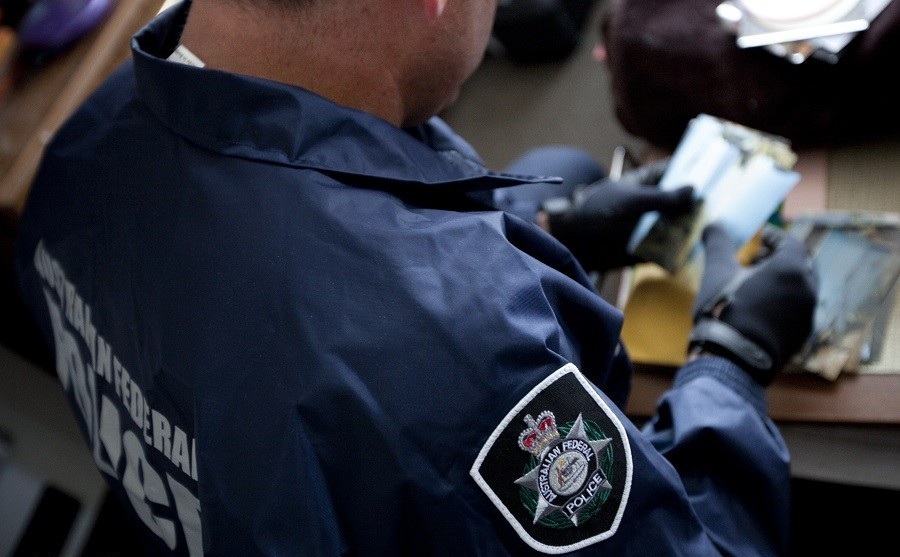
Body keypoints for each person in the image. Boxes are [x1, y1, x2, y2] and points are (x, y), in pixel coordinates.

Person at [12, 0, 818, 556]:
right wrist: (731, 361)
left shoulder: (86, 141)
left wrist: (546, 230)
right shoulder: (461, 354)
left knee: (554, 171)